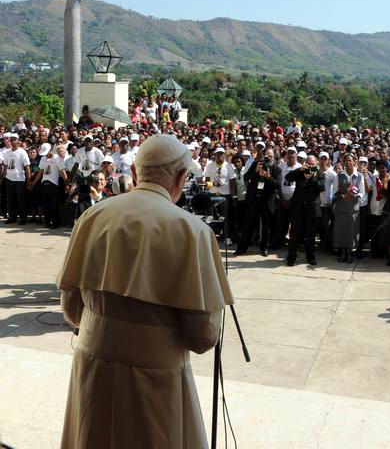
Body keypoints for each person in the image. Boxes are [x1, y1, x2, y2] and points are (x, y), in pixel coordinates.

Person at [56, 135, 233, 449]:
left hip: (93, 369)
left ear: (136, 174)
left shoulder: (92, 216)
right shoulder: (192, 231)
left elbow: (71, 311)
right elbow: (203, 337)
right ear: (180, 178)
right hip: (156, 381)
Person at [285, 155, 325, 266]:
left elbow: (321, 187)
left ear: (316, 164)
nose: (310, 166)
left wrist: (311, 177)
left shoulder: (320, 174)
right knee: (295, 234)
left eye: (313, 164)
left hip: (312, 210)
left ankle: (310, 257)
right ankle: (291, 257)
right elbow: (288, 177)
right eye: (308, 164)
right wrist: (300, 170)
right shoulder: (300, 172)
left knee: (311, 235)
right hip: (298, 209)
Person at [332, 154, 365, 263]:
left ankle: (350, 253)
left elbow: (362, 192)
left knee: (351, 232)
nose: (348, 163)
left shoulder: (359, 176)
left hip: (353, 209)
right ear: (343, 162)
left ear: (354, 162)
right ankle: (342, 253)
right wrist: (341, 196)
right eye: (346, 161)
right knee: (341, 231)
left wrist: (352, 195)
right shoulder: (339, 175)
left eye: (350, 161)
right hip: (341, 209)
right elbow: (335, 190)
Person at [1, 134, 31, 225]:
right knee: (10, 199)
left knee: (21, 200)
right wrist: (2, 177)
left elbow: (27, 167)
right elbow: (5, 165)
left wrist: (29, 180)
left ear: (18, 141)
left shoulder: (22, 152)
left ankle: (23, 218)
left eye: (14, 139)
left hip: (20, 180)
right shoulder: (6, 152)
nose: (13, 141)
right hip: (9, 179)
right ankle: (12, 217)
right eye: (11, 139)